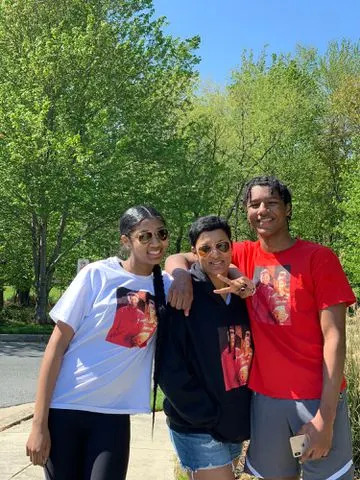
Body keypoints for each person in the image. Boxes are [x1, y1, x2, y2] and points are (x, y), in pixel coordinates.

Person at [165, 176, 356, 480]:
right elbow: (182, 256)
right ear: (247, 211)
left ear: (288, 209)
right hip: (265, 402)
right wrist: (181, 277)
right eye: (255, 204)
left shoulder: (319, 259)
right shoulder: (236, 253)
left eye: (272, 203)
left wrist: (326, 417)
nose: (262, 210)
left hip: (314, 399)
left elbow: (335, 339)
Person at [26, 205, 172, 480]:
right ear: (125, 240)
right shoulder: (97, 275)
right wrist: (38, 424)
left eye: (161, 234)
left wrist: (188, 275)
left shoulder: (165, 284)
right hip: (66, 409)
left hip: (113, 417)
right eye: (145, 236)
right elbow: (55, 348)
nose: (155, 243)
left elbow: (199, 260)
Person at [158, 215, 253, 480]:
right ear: (194, 252)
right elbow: (169, 367)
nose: (216, 254)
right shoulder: (182, 294)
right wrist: (206, 414)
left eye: (223, 246)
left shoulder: (240, 294)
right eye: (206, 248)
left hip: (233, 420)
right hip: (198, 425)